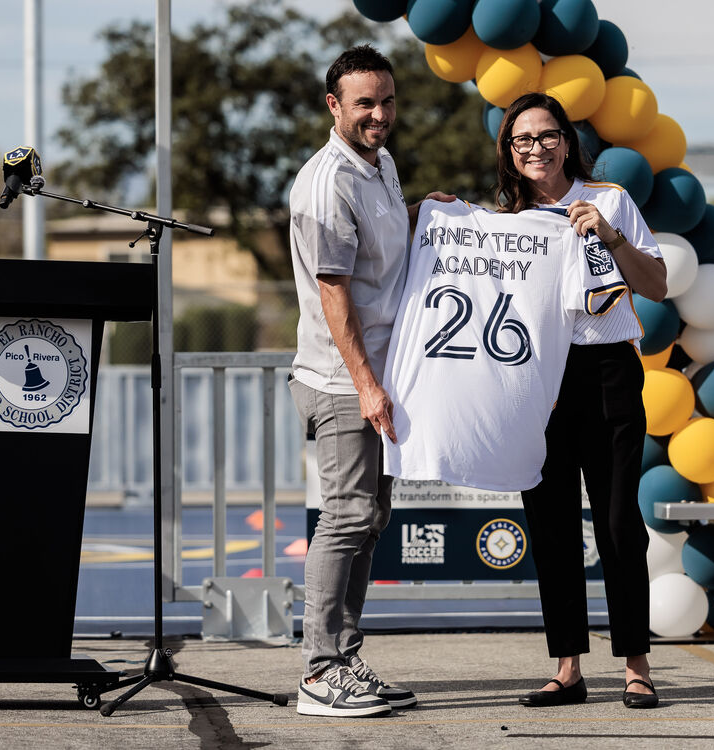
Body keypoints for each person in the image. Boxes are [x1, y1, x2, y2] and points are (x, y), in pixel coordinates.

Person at [287, 44, 450, 718]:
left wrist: (420, 215)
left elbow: (377, 253)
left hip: (379, 373)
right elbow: (336, 292)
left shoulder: (379, 166)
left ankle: (345, 657)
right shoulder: (329, 181)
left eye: (386, 100)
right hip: (342, 378)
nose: (378, 114)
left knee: (370, 518)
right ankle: (319, 671)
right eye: (364, 103)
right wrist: (366, 384)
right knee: (348, 515)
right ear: (334, 106)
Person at [496, 93, 668, 709]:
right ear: (509, 153)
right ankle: (568, 667)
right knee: (553, 525)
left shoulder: (612, 201)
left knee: (621, 522)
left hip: (608, 373)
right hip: (537, 380)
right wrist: (437, 214)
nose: (535, 149)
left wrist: (612, 237)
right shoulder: (505, 221)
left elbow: (657, 284)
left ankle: (636, 665)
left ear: (567, 142)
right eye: (522, 141)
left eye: (546, 137)